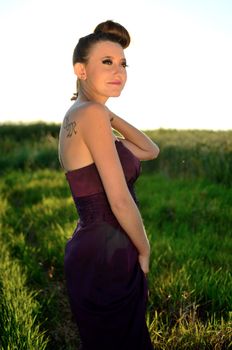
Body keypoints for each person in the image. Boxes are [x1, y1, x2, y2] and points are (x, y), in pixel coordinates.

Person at [58, 20, 159, 350]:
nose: (119, 71)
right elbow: (118, 199)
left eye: (123, 63)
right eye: (106, 61)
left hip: (94, 248)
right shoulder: (91, 115)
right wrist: (144, 250)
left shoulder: (85, 114)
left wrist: (108, 113)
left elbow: (149, 149)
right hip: (107, 254)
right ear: (81, 70)